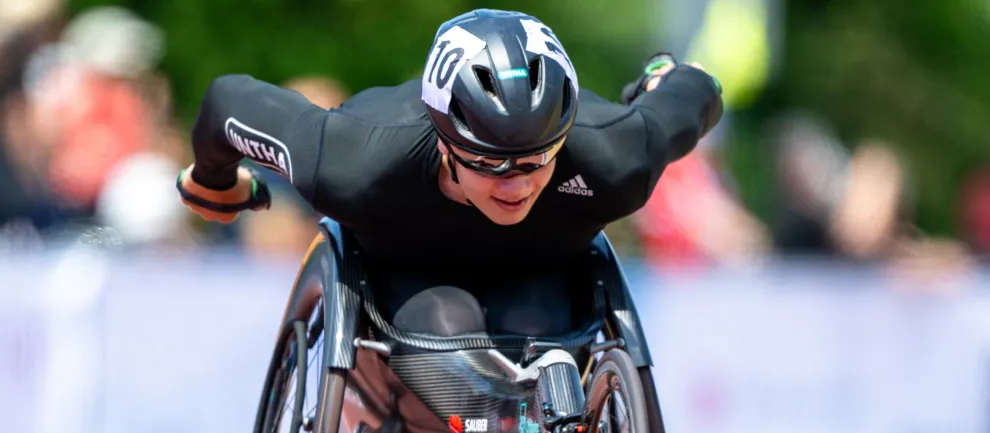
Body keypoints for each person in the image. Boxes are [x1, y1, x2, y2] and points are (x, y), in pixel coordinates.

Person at [176, 9, 723, 339]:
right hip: (408, 287)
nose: (516, 185)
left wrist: (661, 81)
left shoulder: (614, 155)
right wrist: (213, 182)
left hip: (544, 286)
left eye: (536, 162)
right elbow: (227, 102)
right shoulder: (356, 160)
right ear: (444, 143)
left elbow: (698, 91)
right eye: (488, 164)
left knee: (536, 330)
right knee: (448, 326)